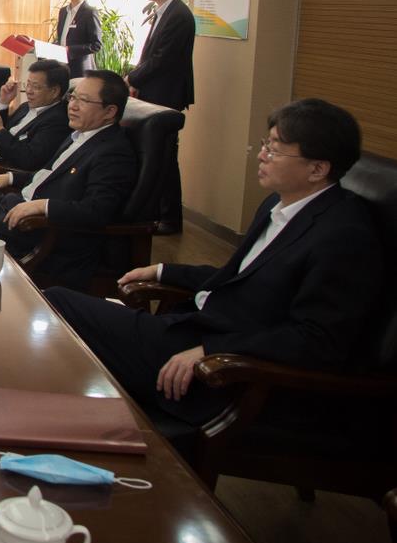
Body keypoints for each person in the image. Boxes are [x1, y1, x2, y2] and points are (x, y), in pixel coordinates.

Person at [45, 99, 381, 425]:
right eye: (266, 144)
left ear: (318, 169)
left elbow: (317, 340)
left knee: (59, 306)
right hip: (194, 328)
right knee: (63, 320)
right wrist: (164, 270)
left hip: (225, 372)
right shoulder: (277, 205)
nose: (261, 155)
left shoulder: (343, 234)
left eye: (275, 149)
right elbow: (241, 277)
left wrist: (210, 349)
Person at [0, 70, 136, 290]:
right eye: (72, 97)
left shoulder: (113, 152)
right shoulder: (79, 134)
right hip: (16, 203)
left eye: (83, 101)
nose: (72, 106)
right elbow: (48, 174)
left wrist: (43, 206)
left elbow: (96, 212)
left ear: (110, 111)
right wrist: (10, 176)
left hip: (39, 228)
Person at [126, 0, 196, 234]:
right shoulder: (163, 11)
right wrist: (136, 79)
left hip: (166, 94)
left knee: (165, 157)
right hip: (154, 92)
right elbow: (149, 55)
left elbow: (162, 59)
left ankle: (169, 218)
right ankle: (156, 212)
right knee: (156, 155)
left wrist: (132, 79)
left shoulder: (179, 15)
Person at [54, 0, 101, 79]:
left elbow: (96, 45)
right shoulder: (63, 11)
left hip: (80, 70)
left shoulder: (90, 12)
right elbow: (62, 39)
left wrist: (70, 50)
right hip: (62, 67)